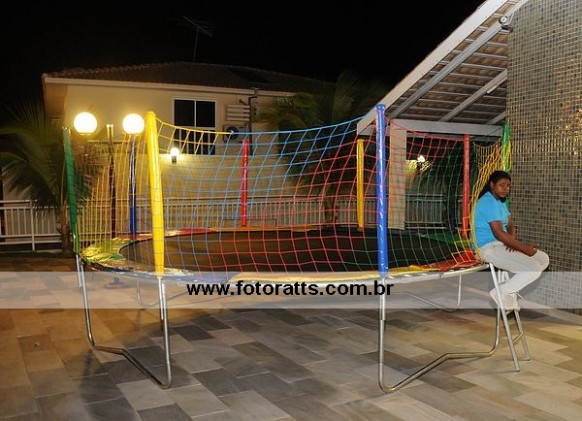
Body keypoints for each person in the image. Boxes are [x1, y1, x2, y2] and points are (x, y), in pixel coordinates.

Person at [473, 170, 549, 311]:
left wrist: (512, 242)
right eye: (501, 185)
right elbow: (498, 232)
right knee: (533, 270)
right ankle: (503, 292)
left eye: (508, 186)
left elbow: (510, 225)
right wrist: (524, 248)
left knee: (543, 259)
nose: (505, 188)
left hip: (501, 245)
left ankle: (510, 290)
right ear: (492, 185)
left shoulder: (500, 202)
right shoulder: (488, 201)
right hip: (488, 248)